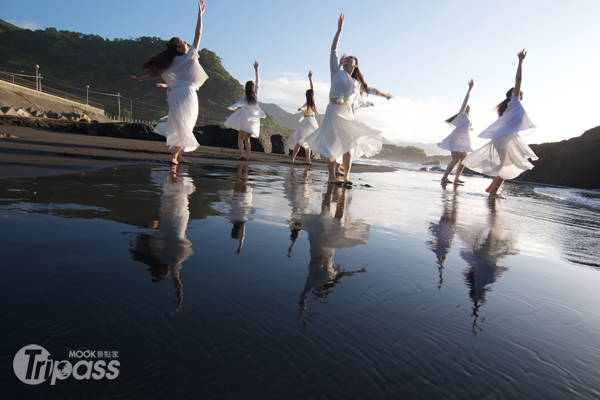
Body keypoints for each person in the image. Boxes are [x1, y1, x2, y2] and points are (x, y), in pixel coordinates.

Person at [299, 14, 383, 185]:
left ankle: (346, 177)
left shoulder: (355, 83)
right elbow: (333, 50)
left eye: (350, 60)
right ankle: (331, 177)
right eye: (345, 59)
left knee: (349, 147)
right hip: (333, 110)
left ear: (355, 64)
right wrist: (339, 30)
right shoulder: (336, 72)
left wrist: (383, 95)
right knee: (331, 145)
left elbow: (369, 89)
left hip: (346, 113)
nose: (347, 60)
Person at [128, 1, 208, 165]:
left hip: (175, 94)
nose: (186, 43)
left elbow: (157, 75)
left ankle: (177, 155)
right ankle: (174, 156)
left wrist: (139, 79)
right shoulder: (188, 56)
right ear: (179, 49)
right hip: (187, 94)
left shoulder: (170, 63)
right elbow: (198, 34)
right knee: (185, 124)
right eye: (183, 43)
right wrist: (200, 14)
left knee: (179, 123)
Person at [462, 50, 537, 198]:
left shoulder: (512, 107)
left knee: (507, 165)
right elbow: (518, 79)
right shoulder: (514, 101)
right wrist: (520, 62)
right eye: (519, 93)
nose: (521, 95)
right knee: (506, 166)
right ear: (512, 94)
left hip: (505, 138)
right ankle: (492, 192)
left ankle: (492, 189)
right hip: (504, 139)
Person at [224, 61, 266, 160]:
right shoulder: (255, 97)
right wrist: (256, 70)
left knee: (240, 138)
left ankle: (241, 155)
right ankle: (247, 156)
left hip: (246, 119)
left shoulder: (245, 98)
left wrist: (231, 107)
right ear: (252, 88)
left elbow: (237, 104)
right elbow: (258, 83)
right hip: (254, 121)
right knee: (247, 139)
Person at [438, 79, 475, 184]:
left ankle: (456, 178)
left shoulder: (466, 117)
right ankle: (445, 177)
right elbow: (465, 102)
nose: (468, 106)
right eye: (467, 106)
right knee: (455, 159)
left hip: (463, 140)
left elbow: (466, 127)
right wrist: (469, 89)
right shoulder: (461, 114)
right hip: (457, 139)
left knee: (464, 160)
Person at [288, 71, 318, 164]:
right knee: (305, 141)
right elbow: (312, 89)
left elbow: (305, 107)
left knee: (299, 141)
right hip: (313, 122)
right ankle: (308, 159)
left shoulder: (307, 104)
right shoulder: (313, 102)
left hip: (307, 123)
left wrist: (301, 108)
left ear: (306, 96)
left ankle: (293, 159)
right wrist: (310, 78)